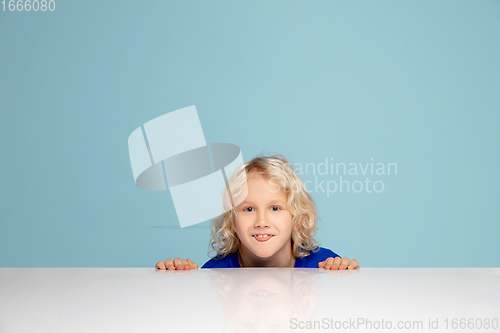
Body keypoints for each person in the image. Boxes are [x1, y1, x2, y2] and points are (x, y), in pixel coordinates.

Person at [155, 154, 359, 270]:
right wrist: (179, 283)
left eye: (275, 208)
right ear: (232, 222)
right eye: (249, 209)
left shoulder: (324, 266)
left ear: (297, 219)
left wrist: (347, 276)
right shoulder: (215, 274)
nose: (262, 221)